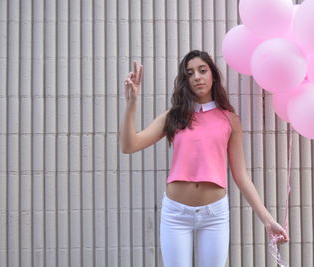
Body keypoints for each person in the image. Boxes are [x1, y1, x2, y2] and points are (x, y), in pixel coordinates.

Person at [120, 50, 288, 267]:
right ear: (185, 81)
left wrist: (267, 220)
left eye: (202, 70)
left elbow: (241, 174)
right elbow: (129, 145)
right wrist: (131, 103)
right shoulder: (174, 115)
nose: (197, 77)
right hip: (176, 213)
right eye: (190, 73)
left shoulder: (230, 119)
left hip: (214, 215)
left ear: (213, 76)